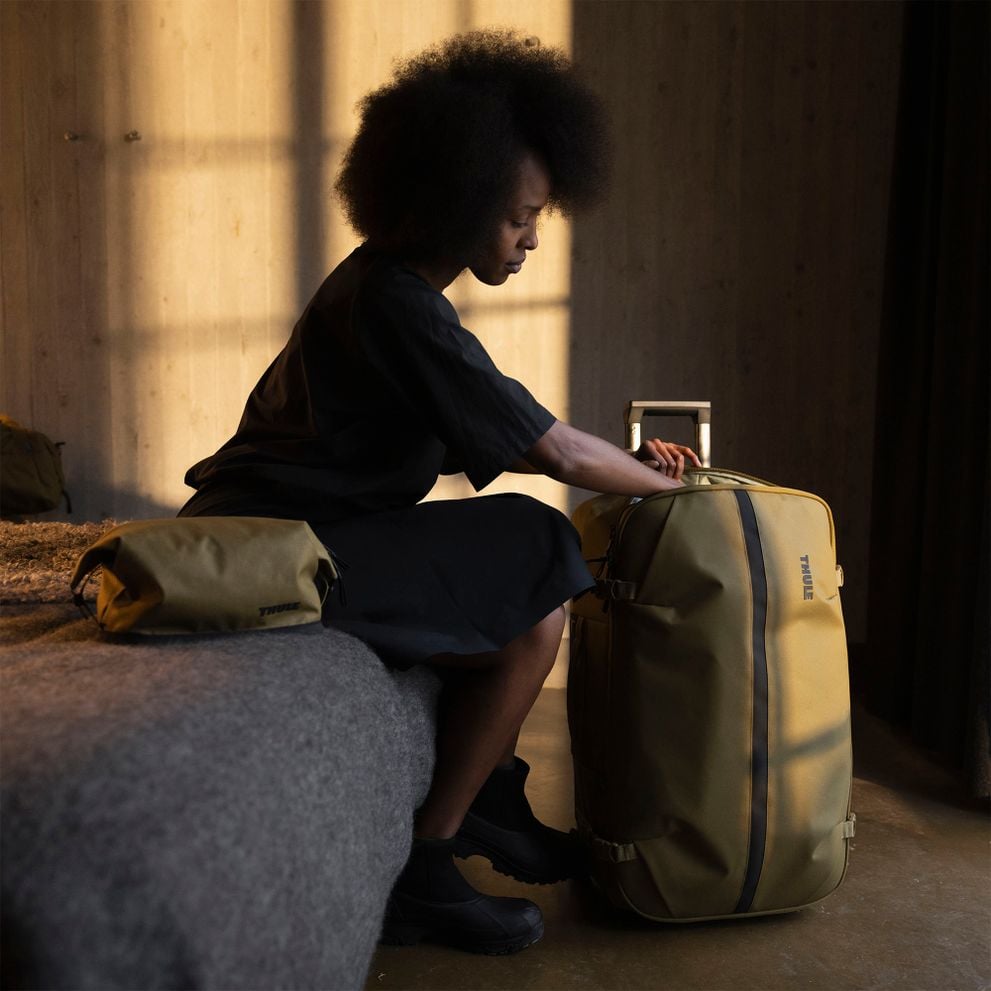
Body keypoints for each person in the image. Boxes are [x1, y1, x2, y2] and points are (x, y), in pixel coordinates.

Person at [179, 30, 699, 956]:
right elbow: (549, 447)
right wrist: (673, 495)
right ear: (452, 202)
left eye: (540, 214)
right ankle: (427, 865)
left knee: (525, 593)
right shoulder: (395, 303)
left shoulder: (395, 289)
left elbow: (525, 430)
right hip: (270, 545)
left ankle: (487, 796)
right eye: (518, 217)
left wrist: (643, 470)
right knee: (535, 546)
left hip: (307, 529)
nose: (534, 237)